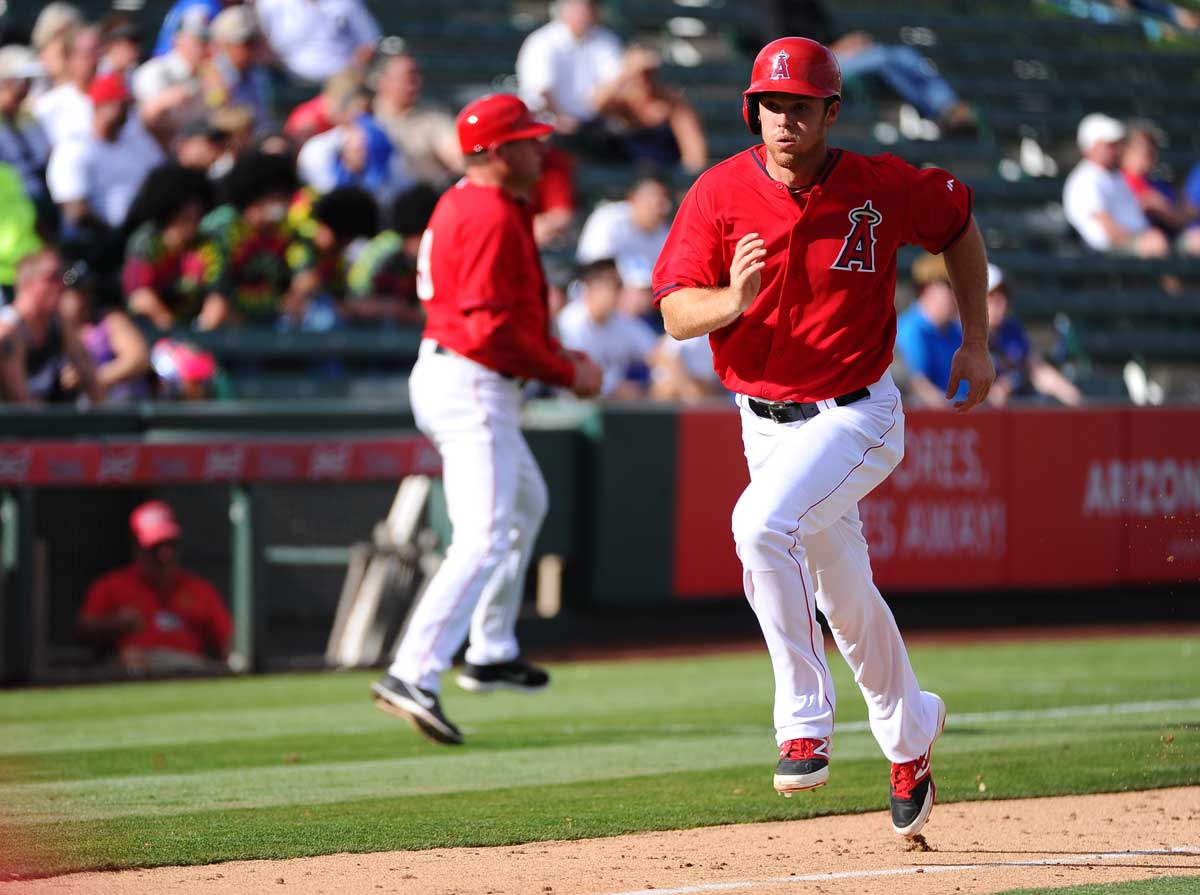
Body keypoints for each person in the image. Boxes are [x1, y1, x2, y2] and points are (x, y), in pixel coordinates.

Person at [651, 38, 993, 838]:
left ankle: (803, 718)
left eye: (800, 106)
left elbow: (960, 225)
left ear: (830, 112)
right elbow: (672, 313)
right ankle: (912, 731)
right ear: (752, 110)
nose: (783, 120)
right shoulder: (719, 192)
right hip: (763, 421)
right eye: (770, 105)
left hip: (857, 413)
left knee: (757, 525)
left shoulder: (877, 185)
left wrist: (975, 340)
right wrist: (730, 300)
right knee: (843, 594)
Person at [371, 93, 603, 745]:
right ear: (497, 153)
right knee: (483, 533)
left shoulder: (470, 201)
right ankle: (412, 671)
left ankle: (491, 647)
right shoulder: (490, 212)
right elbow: (488, 329)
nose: (541, 149)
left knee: (526, 501)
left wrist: (554, 357)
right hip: (471, 376)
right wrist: (565, 369)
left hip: (463, 371)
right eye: (528, 141)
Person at [744, 0, 976, 135]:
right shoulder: (773, 4)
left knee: (904, 54)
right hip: (811, 65)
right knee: (883, 58)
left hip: (831, 54)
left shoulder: (810, 3)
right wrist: (837, 47)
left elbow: (828, 33)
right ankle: (934, 111)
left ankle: (949, 106)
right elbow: (782, 45)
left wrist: (848, 42)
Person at [77, 500, 233, 675]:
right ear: (137, 548)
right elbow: (84, 628)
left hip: (190, 670)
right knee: (130, 658)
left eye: (171, 546)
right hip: (135, 673)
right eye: (155, 548)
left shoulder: (200, 589)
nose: (165, 556)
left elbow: (229, 640)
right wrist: (114, 623)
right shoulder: (112, 585)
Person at [46, 72, 164, 236]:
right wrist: (116, 236)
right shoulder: (73, 148)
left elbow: (163, 178)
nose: (124, 111)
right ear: (98, 106)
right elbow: (75, 211)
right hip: (97, 241)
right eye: (117, 105)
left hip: (144, 231)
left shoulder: (138, 141)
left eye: (126, 105)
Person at [122, 162, 221, 329]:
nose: (193, 217)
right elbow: (140, 297)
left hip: (196, 333)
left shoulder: (206, 245)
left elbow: (217, 296)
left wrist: (202, 335)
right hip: (152, 331)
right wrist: (174, 333)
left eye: (197, 214)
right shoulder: (147, 240)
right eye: (185, 214)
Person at [0, 247, 102, 404]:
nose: (61, 286)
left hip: (48, 420)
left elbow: (90, 377)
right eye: (52, 278)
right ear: (28, 283)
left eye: (61, 277)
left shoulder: (59, 324)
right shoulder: (9, 331)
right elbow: (20, 403)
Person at [1063, 113, 1168, 257]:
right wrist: (1139, 241)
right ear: (1091, 147)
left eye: (1117, 145)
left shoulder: (1114, 176)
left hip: (1133, 243)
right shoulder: (1085, 180)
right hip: (1106, 252)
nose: (1116, 150)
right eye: (1110, 145)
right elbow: (1107, 228)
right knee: (1157, 245)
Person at [516, 0, 623, 138]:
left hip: (593, 123)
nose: (584, 12)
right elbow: (542, 90)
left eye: (588, 7)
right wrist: (560, 118)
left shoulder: (606, 39)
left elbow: (613, 83)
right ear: (563, 11)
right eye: (578, 8)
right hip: (548, 124)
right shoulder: (541, 41)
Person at [592, 46, 708, 172]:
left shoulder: (673, 105)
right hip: (625, 182)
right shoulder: (621, 104)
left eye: (648, 73)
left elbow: (695, 155)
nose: (643, 79)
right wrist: (627, 73)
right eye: (638, 74)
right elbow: (594, 104)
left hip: (665, 179)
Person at [556, 258, 658, 398]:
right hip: (573, 407)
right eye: (614, 285)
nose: (619, 291)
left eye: (620, 285)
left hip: (611, 404)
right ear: (593, 287)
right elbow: (576, 377)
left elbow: (656, 352)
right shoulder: (569, 322)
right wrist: (615, 388)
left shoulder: (620, 319)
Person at [983, 264, 1082, 408]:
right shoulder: (959, 334)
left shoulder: (1011, 329)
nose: (1003, 304)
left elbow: (1036, 369)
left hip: (1017, 410)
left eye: (1005, 297)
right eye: (995, 299)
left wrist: (1073, 396)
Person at [371, 54, 460, 187]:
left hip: (423, 198)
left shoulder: (433, 117)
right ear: (383, 81)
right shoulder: (366, 114)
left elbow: (456, 156)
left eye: (416, 76)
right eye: (407, 77)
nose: (415, 82)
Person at [894, 253, 968, 409]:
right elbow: (916, 384)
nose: (958, 294)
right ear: (928, 288)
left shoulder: (955, 330)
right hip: (932, 424)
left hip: (966, 418)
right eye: (950, 286)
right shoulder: (910, 330)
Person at [577, 175, 673, 290]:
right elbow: (594, 270)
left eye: (664, 202)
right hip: (596, 294)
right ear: (633, 199)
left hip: (646, 299)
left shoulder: (665, 233)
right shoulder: (609, 218)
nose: (663, 208)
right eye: (655, 201)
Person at [255, 0, 380, 85]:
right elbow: (259, 41)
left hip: (341, 80)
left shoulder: (346, 3)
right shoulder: (271, 4)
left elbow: (369, 42)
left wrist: (353, 71)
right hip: (286, 78)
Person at [131, 6, 210, 139]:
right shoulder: (154, 72)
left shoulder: (205, 75)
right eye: (197, 41)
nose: (204, 47)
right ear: (177, 40)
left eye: (206, 41)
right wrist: (165, 101)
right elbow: (144, 122)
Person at [1120, 126, 1200, 255]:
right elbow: (1178, 218)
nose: (1149, 157)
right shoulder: (1122, 181)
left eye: (1152, 151)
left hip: (1171, 239)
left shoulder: (1156, 183)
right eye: (1144, 151)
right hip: (1147, 243)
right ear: (1125, 151)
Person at [201, 6, 273, 134]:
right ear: (224, 43)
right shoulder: (213, 73)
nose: (253, 48)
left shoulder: (257, 73)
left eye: (254, 41)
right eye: (246, 43)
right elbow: (219, 125)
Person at [0, 45, 52, 206]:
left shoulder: (28, 116)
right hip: (13, 203)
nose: (26, 87)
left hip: (42, 197)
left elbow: (44, 156)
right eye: (22, 81)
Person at [33, 23, 99, 146]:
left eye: (97, 52)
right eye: (86, 55)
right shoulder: (48, 105)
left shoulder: (116, 104)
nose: (93, 61)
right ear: (69, 58)